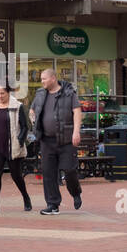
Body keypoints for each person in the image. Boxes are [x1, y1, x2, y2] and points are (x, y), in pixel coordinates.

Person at [29, 67, 83, 215]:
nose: (42, 82)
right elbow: (32, 111)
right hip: (46, 140)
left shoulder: (68, 93)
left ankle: (76, 192)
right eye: (41, 79)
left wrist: (76, 132)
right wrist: (34, 122)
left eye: (43, 79)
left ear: (53, 78)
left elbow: (77, 112)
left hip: (66, 140)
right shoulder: (40, 94)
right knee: (48, 173)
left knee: (69, 170)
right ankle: (52, 204)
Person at [0, 82, 31, 214]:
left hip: (12, 146)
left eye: (2, 93)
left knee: (16, 175)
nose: (0, 96)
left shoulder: (17, 106)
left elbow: (25, 127)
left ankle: (26, 197)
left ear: (8, 93)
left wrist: (19, 141)